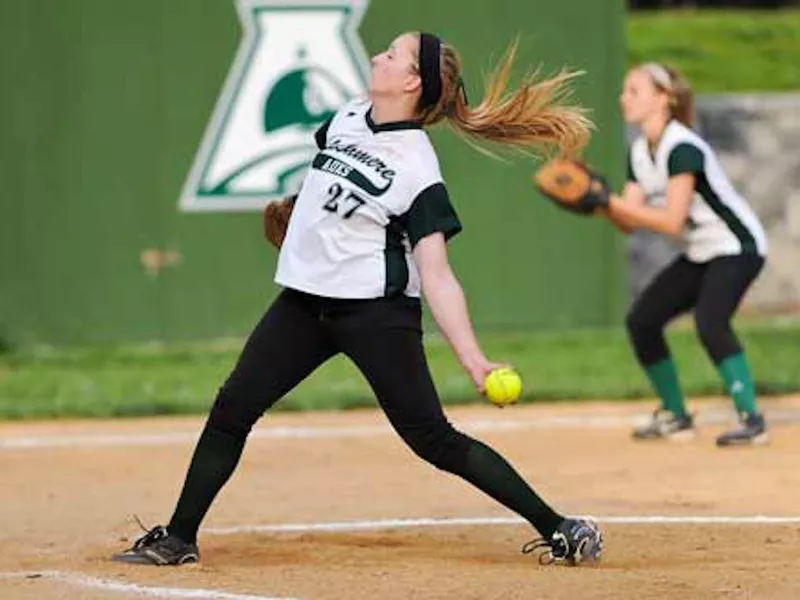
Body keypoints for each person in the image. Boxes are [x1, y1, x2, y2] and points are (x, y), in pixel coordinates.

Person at [111, 32, 603, 567]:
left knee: (432, 439)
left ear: (413, 81)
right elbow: (334, 188)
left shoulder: (418, 168)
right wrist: (299, 210)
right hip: (304, 304)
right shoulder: (347, 117)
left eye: (393, 55)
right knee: (233, 408)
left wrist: (474, 360)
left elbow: (436, 274)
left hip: (375, 314)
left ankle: (561, 528)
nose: (378, 58)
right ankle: (179, 538)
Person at [603, 62, 768, 446]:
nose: (623, 98)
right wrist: (596, 203)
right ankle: (677, 416)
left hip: (736, 246)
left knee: (711, 322)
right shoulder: (640, 152)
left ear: (664, 98)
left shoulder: (682, 148)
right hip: (702, 251)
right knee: (643, 320)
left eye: (633, 90)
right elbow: (629, 220)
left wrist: (605, 200)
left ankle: (752, 419)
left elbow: (672, 222)